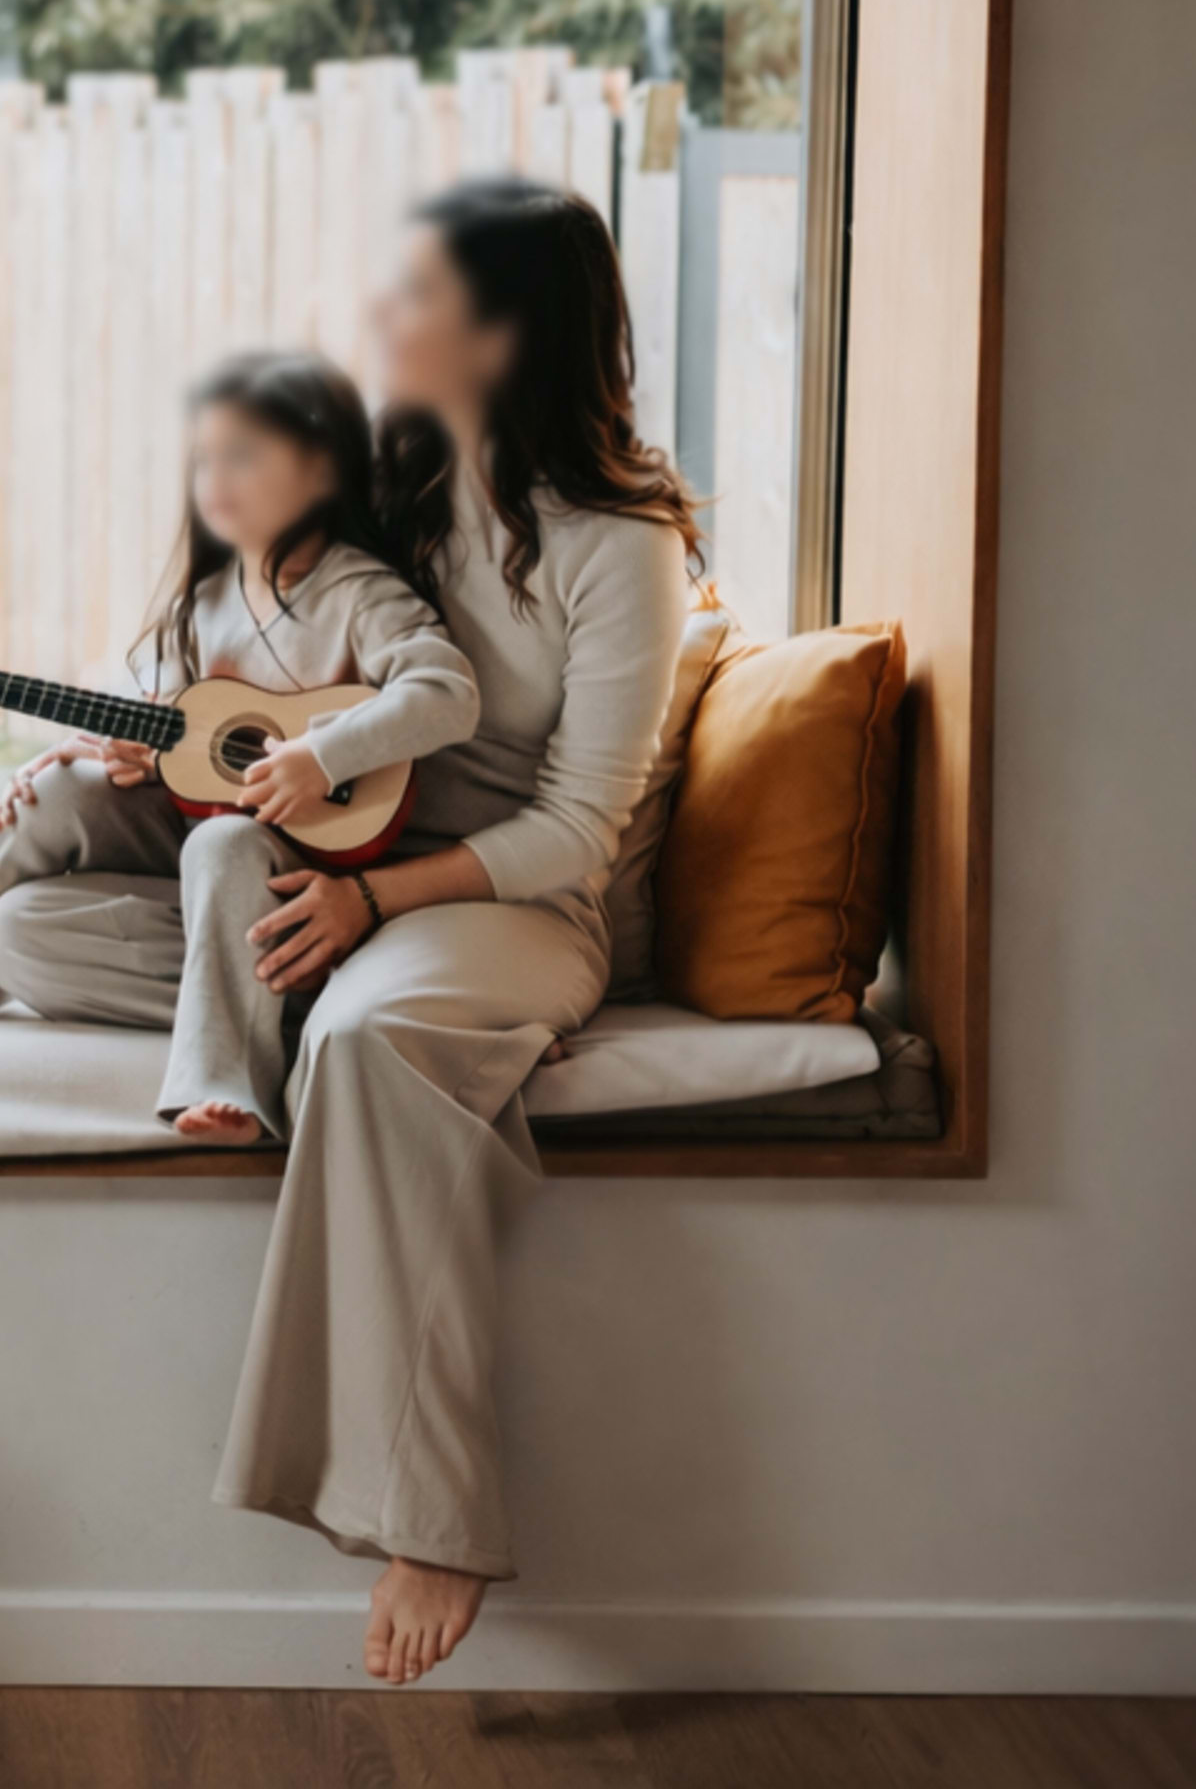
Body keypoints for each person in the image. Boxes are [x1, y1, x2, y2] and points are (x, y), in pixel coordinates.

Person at [211, 180, 699, 1685]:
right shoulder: (394, 484)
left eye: (414, 295)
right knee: (53, 927)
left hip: (511, 901)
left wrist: (374, 904)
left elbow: (577, 831)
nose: (379, 315)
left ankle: (437, 1513)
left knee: (362, 1036)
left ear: (498, 335)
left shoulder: (622, 546)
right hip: (354, 855)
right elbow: (272, 657)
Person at [0, 352, 475, 1144]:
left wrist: (320, 758)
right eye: (204, 460)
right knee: (21, 909)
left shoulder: (360, 594)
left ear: (323, 471)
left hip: (304, 881)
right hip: (202, 872)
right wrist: (96, 751)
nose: (215, 477)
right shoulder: (205, 604)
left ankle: (230, 1079)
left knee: (227, 837)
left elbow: (449, 696)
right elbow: (161, 732)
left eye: (242, 456)